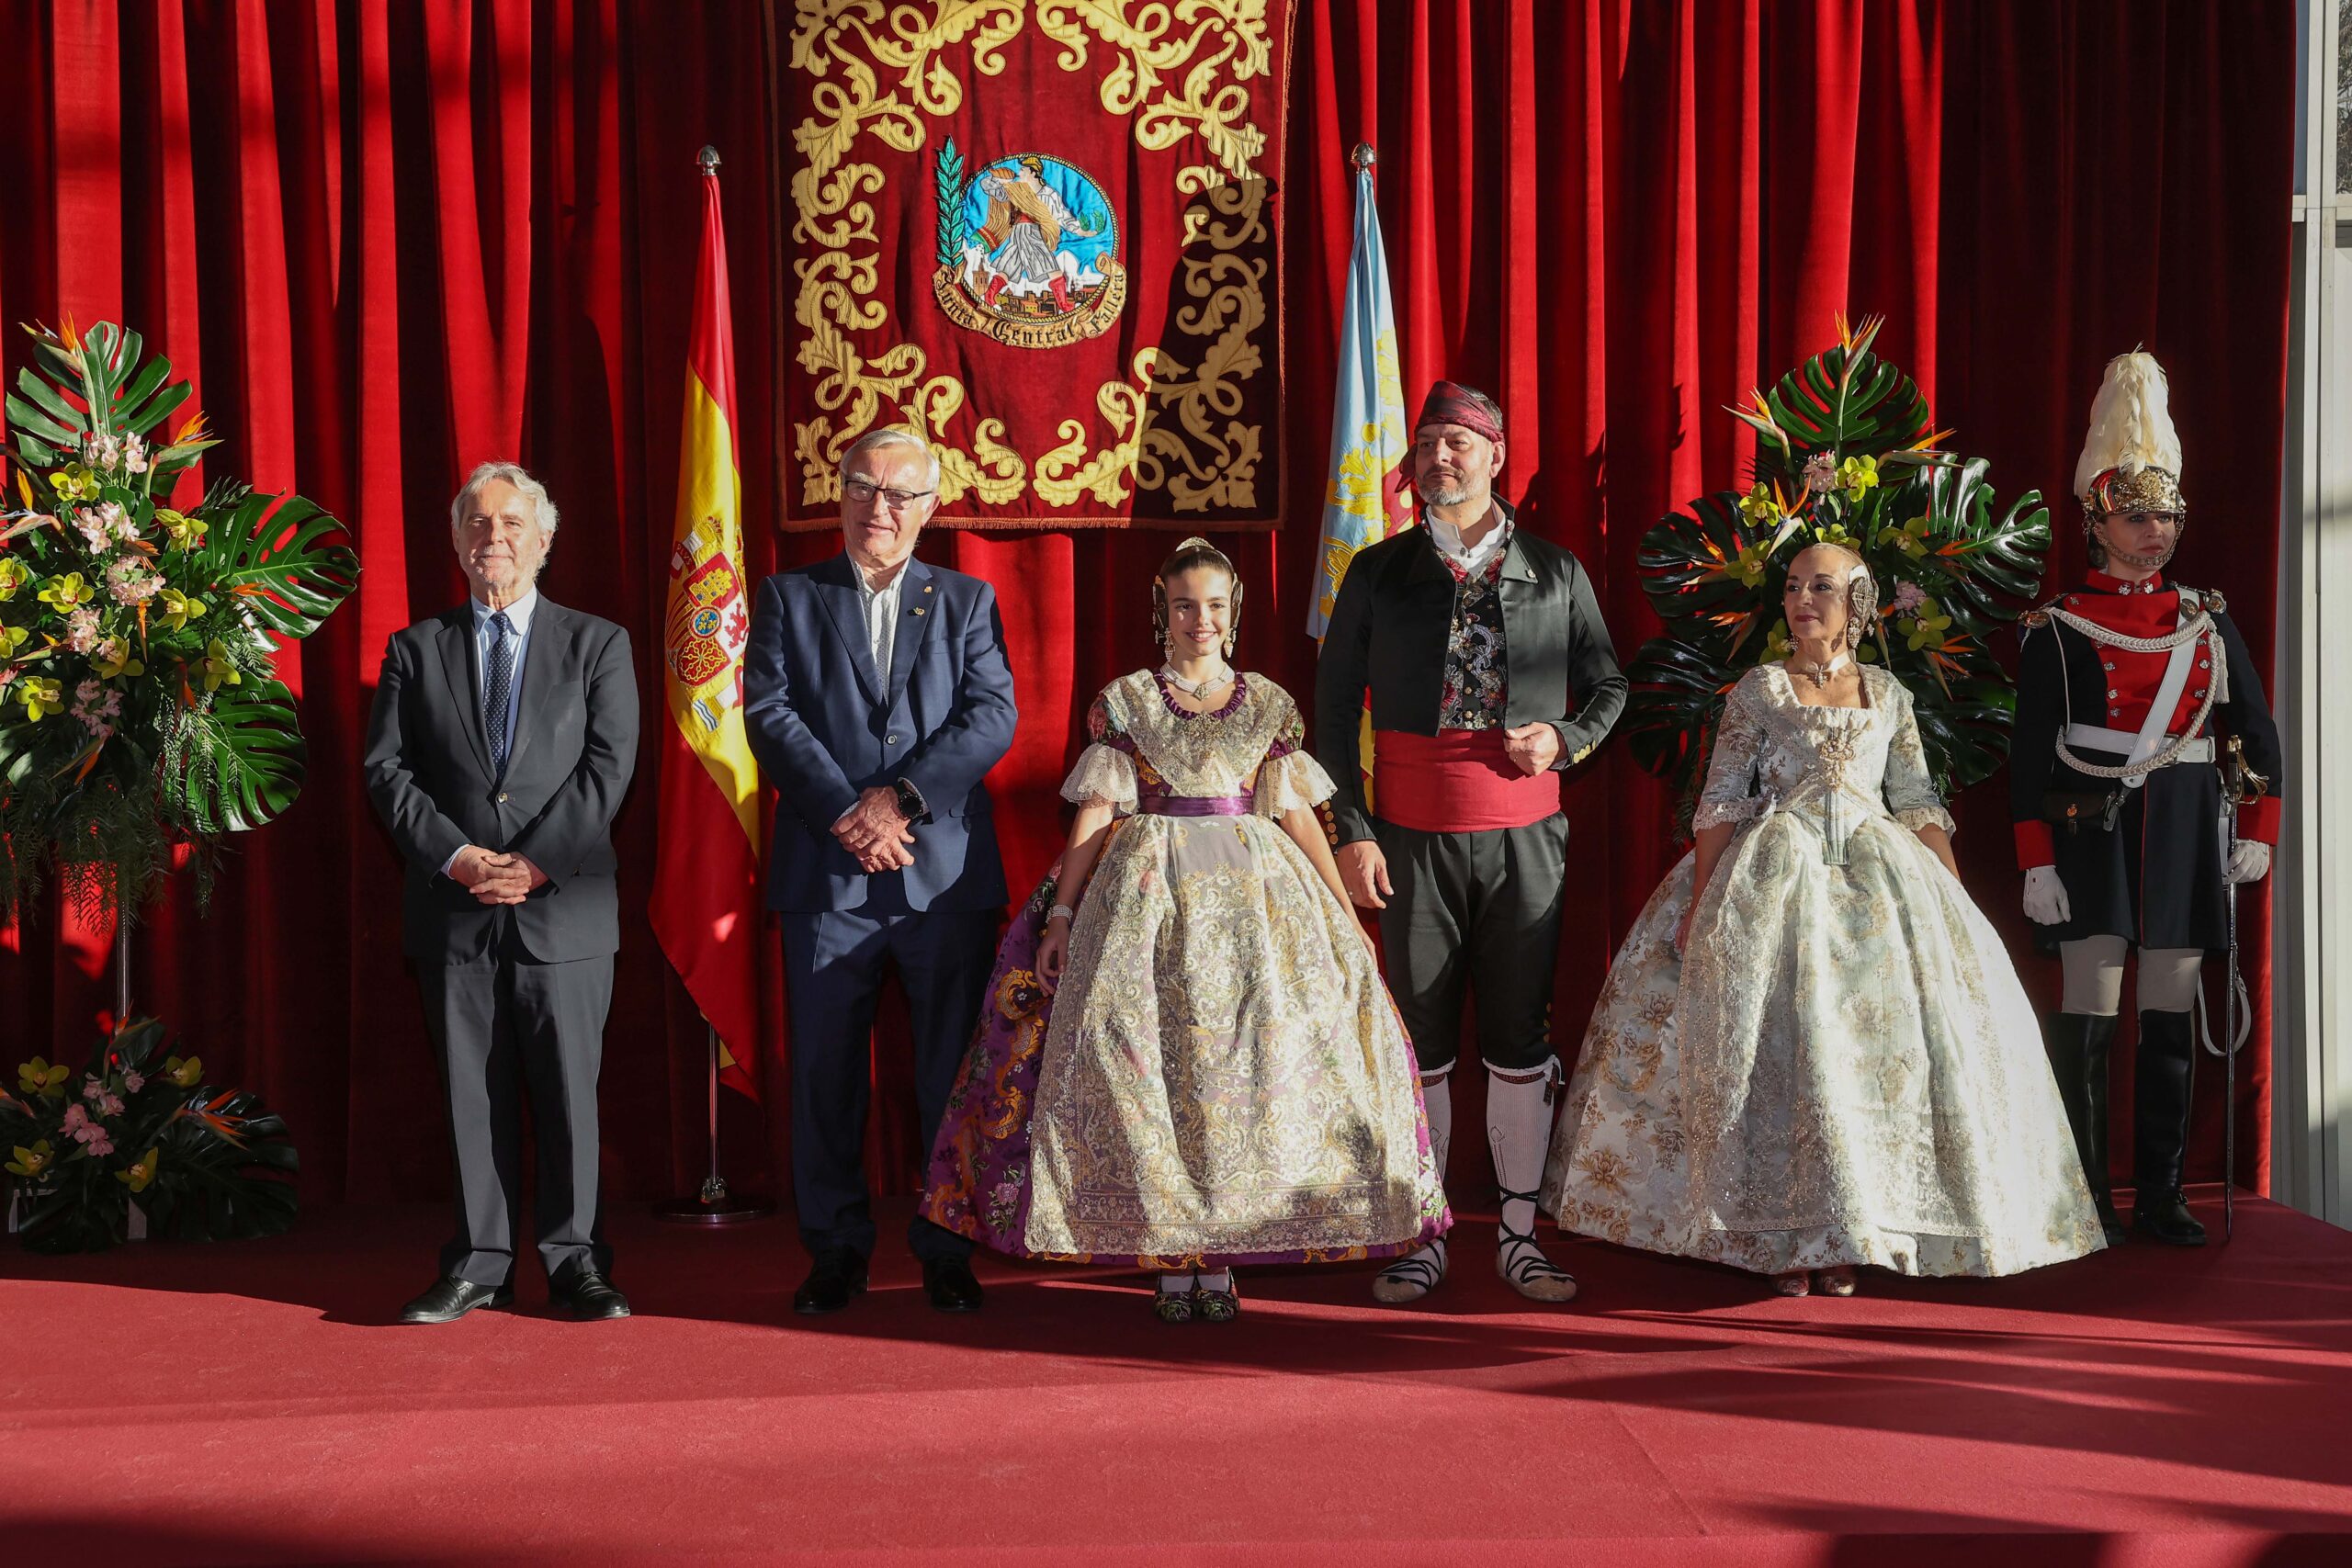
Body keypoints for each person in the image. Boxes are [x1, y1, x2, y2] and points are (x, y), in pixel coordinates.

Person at [1545, 542, 2107, 1294]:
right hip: (1774, 883)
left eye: (1822, 587)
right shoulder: (1760, 688)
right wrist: (1706, 900)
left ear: (1859, 603)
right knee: (1790, 1057)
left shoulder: (1889, 694)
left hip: (1881, 886)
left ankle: (1850, 1233)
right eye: (1793, 587)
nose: (1802, 599)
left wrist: (1955, 904)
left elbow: (1916, 803)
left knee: (1862, 1065)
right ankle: (1786, 1242)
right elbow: (1720, 800)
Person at [919, 538, 1447, 1322]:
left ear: (1233, 617)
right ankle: (1171, 1255)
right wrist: (1062, 911)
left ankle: (1224, 1254)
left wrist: (1340, 914)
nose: (1202, 620)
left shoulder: (1268, 703)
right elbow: (1098, 810)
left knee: (1245, 1077)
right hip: (1147, 899)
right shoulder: (1128, 701)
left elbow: (1295, 811)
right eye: (1186, 605)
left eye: (1216, 607)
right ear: (1162, 613)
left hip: (1257, 905)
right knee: (1157, 1072)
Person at [1315, 381, 1626, 1305]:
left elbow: (1610, 688)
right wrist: (1351, 832)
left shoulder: (1556, 571)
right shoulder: (1376, 572)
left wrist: (1563, 740)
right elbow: (1332, 714)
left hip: (1524, 840)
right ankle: (1425, 1232)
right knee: (1419, 1040)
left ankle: (1521, 1236)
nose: (1439, 457)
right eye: (1427, 443)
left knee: (1518, 1036)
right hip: (1408, 840)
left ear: (1496, 456)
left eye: (1458, 442)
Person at [2010, 351, 2283, 1248]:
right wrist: (2033, 861)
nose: (2157, 531)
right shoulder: (2055, 627)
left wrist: (2261, 831)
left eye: (2167, 515)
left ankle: (2160, 1193)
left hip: (2178, 828)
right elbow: (2024, 757)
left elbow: (2257, 729)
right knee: (2089, 1007)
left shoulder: (2204, 616)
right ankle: (2083, 1195)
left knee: (2167, 1009)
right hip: (2093, 829)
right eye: (2138, 516)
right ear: (2097, 520)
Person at [743, 428, 1016, 1315]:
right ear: (840, 495)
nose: (881, 508)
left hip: (941, 878)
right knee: (825, 1076)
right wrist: (845, 813)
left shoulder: (970, 601)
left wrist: (898, 803)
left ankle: (945, 1247)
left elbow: (990, 717)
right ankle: (834, 1250)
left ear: (931, 508)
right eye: (864, 486)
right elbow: (770, 714)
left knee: (948, 1071)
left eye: (901, 493)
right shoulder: (789, 596)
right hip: (829, 875)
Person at [363, 461, 639, 1325]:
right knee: (471, 1097)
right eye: (478, 524)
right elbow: (388, 769)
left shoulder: (599, 643)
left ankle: (576, 1263)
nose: (496, 538)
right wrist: (459, 858)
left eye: (513, 523)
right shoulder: (414, 650)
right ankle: (479, 1263)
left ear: (545, 540)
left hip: (566, 912)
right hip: (457, 912)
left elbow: (609, 767)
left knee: (567, 1093)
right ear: (455, 541)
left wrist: (535, 862)